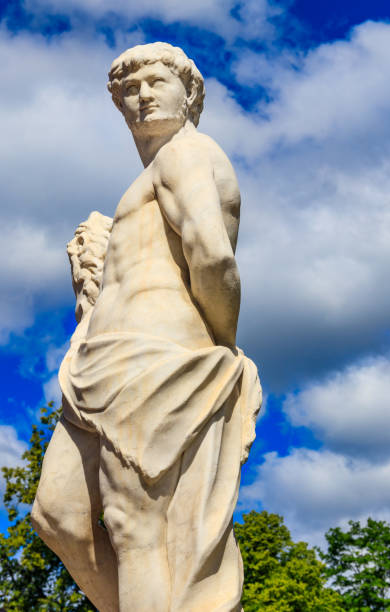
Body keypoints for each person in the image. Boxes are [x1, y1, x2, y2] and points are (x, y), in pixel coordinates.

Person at [31, 42, 261, 612]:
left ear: (191, 95)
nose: (143, 94)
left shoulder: (188, 152)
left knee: (135, 528)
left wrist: (221, 352)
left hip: (155, 358)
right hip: (99, 367)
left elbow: (212, 258)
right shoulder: (147, 178)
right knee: (57, 517)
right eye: (130, 90)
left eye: (159, 81)